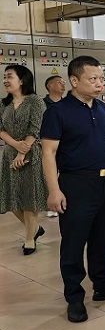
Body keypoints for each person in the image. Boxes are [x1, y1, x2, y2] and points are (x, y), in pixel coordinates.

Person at [41, 56, 105, 324]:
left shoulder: (103, 109)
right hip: (76, 184)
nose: (99, 83)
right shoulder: (57, 112)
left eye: (101, 78)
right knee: (74, 243)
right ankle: (74, 297)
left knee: (102, 238)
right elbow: (48, 153)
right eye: (92, 79)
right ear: (74, 80)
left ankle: (103, 285)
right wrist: (54, 190)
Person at [0, 64, 48, 255]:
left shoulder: (35, 101)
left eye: (9, 76)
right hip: (10, 154)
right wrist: (15, 145)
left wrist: (23, 151)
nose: (5, 80)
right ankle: (35, 229)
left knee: (29, 198)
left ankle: (29, 239)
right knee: (12, 199)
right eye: (4, 77)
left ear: (21, 80)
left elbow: (36, 128)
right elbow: (1, 129)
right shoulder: (4, 104)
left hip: (31, 154)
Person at [43, 75, 66, 218]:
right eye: (59, 82)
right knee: (49, 172)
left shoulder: (67, 105)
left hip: (64, 145)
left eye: (64, 82)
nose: (63, 85)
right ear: (49, 86)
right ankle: (50, 202)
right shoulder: (41, 104)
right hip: (48, 143)